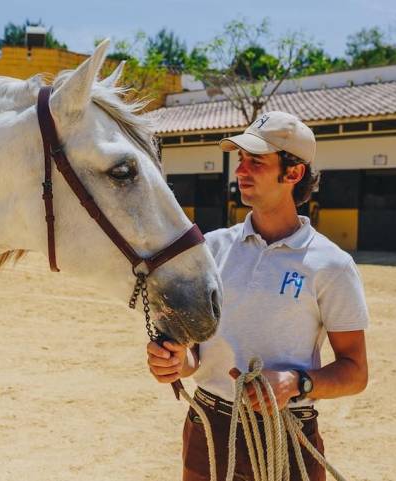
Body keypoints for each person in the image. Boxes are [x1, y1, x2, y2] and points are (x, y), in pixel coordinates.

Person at [147, 111, 369, 481]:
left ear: (294, 173)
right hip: (209, 428)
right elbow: (193, 353)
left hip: (288, 434)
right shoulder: (212, 249)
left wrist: (298, 383)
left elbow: (356, 372)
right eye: (240, 160)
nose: (241, 171)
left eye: (257, 162)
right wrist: (176, 362)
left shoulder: (332, 265)